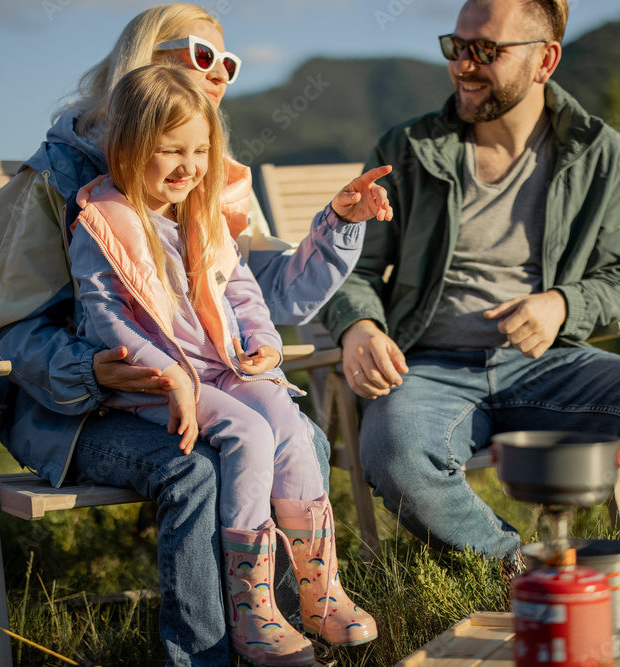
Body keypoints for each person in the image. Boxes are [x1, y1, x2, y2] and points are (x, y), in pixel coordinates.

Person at [0, 5, 370, 665]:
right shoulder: (56, 187)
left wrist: (336, 229)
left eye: (227, 63)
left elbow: (257, 291)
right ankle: (207, 652)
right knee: (196, 467)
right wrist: (90, 369)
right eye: (198, 55)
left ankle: (286, 617)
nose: (217, 74)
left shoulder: (203, 183)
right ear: (141, 66)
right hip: (68, 405)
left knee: (299, 433)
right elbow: (12, 338)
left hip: (193, 379)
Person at [321, 0, 620, 634]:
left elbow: (613, 281)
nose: (463, 66)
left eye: (486, 51)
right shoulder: (406, 147)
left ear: (545, 59)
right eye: (456, 46)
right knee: (395, 452)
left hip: (550, 364)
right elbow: (358, 272)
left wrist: (561, 303)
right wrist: (359, 327)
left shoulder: (603, 153)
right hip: (430, 368)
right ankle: (533, 577)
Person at [69, 63, 388, 666]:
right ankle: (254, 608)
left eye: (199, 150)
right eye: (170, 151)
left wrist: (264, 342)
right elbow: (104, 320)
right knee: (247, 431)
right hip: (156, 381)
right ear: (130, 146)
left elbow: (242, 293)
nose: (189, 167)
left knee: (288, 422)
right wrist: (171, 378)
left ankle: (320, 590)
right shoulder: (101, 224)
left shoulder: (203, 214)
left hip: (223, 366)